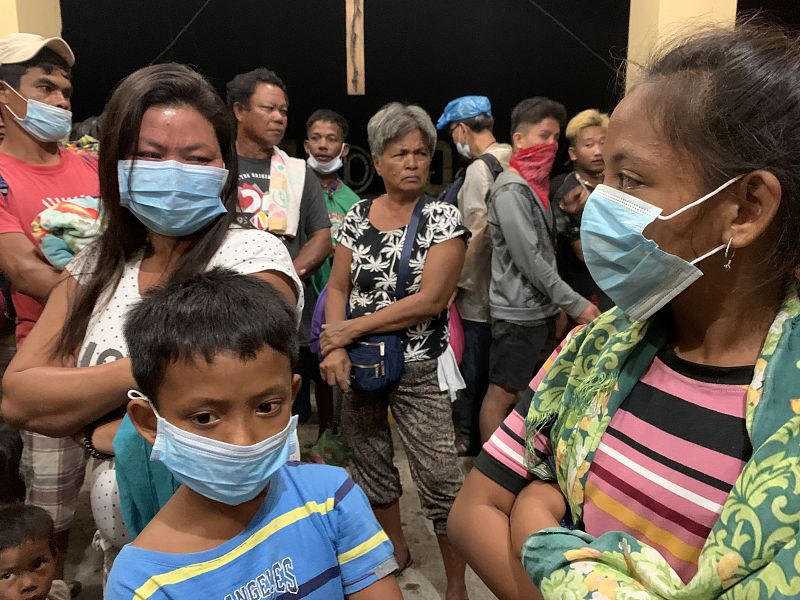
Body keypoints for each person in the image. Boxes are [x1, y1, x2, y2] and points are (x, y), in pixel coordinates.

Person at [450, 23, 800, 599]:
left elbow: (512, 509)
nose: (596, 200)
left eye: (629, 180)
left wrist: (536, 520)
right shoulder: (596, 352)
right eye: (603, 174)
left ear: (745, 208)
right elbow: (473, 512)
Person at [1, 63, 302, 577]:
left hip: (240, 543)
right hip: (133, 557)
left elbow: (234, 375)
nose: (174, 170)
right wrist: (142, 395)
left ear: (223, 168)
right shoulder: (96, 267)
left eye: (196, 157)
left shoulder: (253, 254)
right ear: (116, 164)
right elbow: (20, 396)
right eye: (149, 155)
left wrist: (99, 417)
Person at [105, 269, 402, 599]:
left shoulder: (331, 499)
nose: (243, 441)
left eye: (266, 407)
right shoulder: (142, 583)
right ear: (149, 422)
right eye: (205, 417)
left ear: (291, 396)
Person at [319, 102, 470, 600]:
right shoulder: (357, 215)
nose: (412, 161)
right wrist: (337, 345)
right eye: (399, 152)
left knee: (442, 477)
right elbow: (337, 286)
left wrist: (347, 331)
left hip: (420, 367)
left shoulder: (442, 218)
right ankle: (396, 549)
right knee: (371, 466)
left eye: (421, 152)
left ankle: (455, 583)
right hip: (361, 366)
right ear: (377, 161)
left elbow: (429, 302)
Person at [0, 32, 98, 580]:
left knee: (128, 476)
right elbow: (22, 268)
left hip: (114, 350)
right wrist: (105, 295)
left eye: (64, 90)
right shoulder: (1, 177)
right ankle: (52, 586)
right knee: (53, 506)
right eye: (44, 88)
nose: (61, 101)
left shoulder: (89, 167)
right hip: (52, 357)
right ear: (5, 97)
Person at [480, 97, 600, 445]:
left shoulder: (534, 186)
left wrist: (564, 211)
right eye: (542, 135)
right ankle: (490, 468)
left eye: (555, 138)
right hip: (518, 313)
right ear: (519, 140)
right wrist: (575, 304)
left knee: (524, 393)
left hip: (537, 310)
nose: (550, 145)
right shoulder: (511, 189)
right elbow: (530, 260)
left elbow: (544, 244)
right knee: (501, 394)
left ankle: (517, 457)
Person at [227, 68, 331, 424]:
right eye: (268, 108)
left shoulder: (299, 172)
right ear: (240, 111)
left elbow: (321, 235)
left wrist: (289, 275)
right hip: (225, 307)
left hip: (285, 311)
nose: (279, 118)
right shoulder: (216, 166)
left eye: (284, 111)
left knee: (281, 401)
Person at [436, 95, 511, 456]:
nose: (455, 140)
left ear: (463, 128)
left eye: (453, 133)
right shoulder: (513, 158)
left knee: (473, 366)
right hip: (510, 290)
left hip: (479, 291)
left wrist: (455, 281)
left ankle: (469, 434)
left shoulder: (481, 169)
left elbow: (476, 230)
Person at [303, 108, 361, 436]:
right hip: (298, 298)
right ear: (307, 145)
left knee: (327, 379)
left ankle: (329, 439)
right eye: (316, 138)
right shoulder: (293, 191)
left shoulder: (352, 202)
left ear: (344, 148)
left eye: (332, 139)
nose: (323, 145)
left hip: (331, 304)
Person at [551, 109, 612, 313]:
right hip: (581, 292)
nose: (598, 151)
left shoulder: (622, 184)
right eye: (589, 145)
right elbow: (584, 253)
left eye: (603, 143)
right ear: (573, 153)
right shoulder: (563, 189)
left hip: (621, 288)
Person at [0, 505, 75, 600]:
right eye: (7, 576)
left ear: (54, 557)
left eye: (37, 564)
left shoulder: (59, 592)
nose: (29, 583)